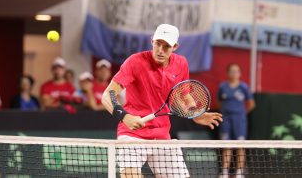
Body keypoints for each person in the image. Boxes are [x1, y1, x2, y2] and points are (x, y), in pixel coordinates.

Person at [101, 24, 223, 178]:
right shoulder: (135, 62)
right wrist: (124, 116)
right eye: (158, 44)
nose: (160, 50)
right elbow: (108, 95)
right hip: (132, 136)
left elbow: (182, 95)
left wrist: (195, 113)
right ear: (152, 41)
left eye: (166, 46)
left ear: (175, 47)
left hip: (162, 136)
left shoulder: (181, 64)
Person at [217, 63, 255, 178]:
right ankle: (224, 172)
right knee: (226, 145)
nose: (234, 73)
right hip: (226, 119)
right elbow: (219, 101)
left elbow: (251, 104)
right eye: (232, 71)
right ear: (227, 73)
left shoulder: (244, 87)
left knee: (240, 146)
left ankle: (239, 173)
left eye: (236, 71)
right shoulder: (223, 86)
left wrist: (242, 113)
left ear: (240, 74)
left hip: (239, 120)